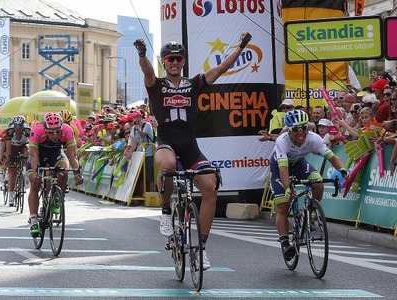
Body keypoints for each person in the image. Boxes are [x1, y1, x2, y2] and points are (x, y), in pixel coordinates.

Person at [134, 31, 252, 270]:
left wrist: (240, 47)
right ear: (164, 62)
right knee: (166, 167)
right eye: (170, 59)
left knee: (211, 189)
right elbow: (147, 71)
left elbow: (220, 70)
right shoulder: (156, 84)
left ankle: (201, 249)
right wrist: (142, 53)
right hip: (166, 141)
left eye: (178, 59)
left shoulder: (193, 83)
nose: (175, 62)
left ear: (183, 61)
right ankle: (166, 212)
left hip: (190, 146)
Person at [270, 110, 349, 261]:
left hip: (300, 164)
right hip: (280, 167)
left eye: (303, 128)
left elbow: (331, 157)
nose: (301, 133)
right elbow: (283, 169)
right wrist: (288, 188)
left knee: (318, 182)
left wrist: (342, 169)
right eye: (296, 130)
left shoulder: (313, 138)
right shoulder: (281, 141)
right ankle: (286, 243)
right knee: (282, 206)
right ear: (288, 130)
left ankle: (312, 212)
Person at [27, 112, 83, 237]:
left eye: (58, 131)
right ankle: (34, 219)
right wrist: (36, 173)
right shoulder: (36, 131)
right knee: (35, 183)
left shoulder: (68, 130)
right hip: (39, 155)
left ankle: (57, 197)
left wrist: (77, 173)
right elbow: (34, 155)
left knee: (63, 171)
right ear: (45, 129)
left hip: (56, 153)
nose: (55, 135)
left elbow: (72, 156)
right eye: (51, 132)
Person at [124, 110, 155, 193]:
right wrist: (129, 152)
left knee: (149, 176)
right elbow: (135, 142)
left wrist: (138, 128)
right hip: (139, 154)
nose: (136, 119)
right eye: (134, 117)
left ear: (141, 117)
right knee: (140, 177)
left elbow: (142, 135)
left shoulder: (147, 125)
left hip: (148, 154)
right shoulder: (133, 128)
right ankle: (143, 195)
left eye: (137, 117)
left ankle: (151, 194)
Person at [3, 115, 31, 206]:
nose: (18, 128)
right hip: (13, 148)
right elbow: (8, 147)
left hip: (24, 146)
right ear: (14, 125)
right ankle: (11, 194)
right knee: (12, 171)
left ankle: (25, 173)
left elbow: (31, 143)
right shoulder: (9, 131)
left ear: (23, 125)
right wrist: (8, 158)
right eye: (16, 126)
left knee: (27, 150)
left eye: (20, 126)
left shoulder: (27, 130)